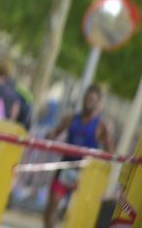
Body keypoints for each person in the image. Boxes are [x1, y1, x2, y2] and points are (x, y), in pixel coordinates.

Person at [43, 85, 112, 228]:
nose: (89, 102)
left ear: (98, 103)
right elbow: (54, 133)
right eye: (87, 98)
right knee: (52, 204)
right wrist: (48, 136)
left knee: (75, 212)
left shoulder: (101, 126)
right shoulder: (70, 119)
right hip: (66, 166)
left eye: (92, 100)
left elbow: (109, 153)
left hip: (85, 173)